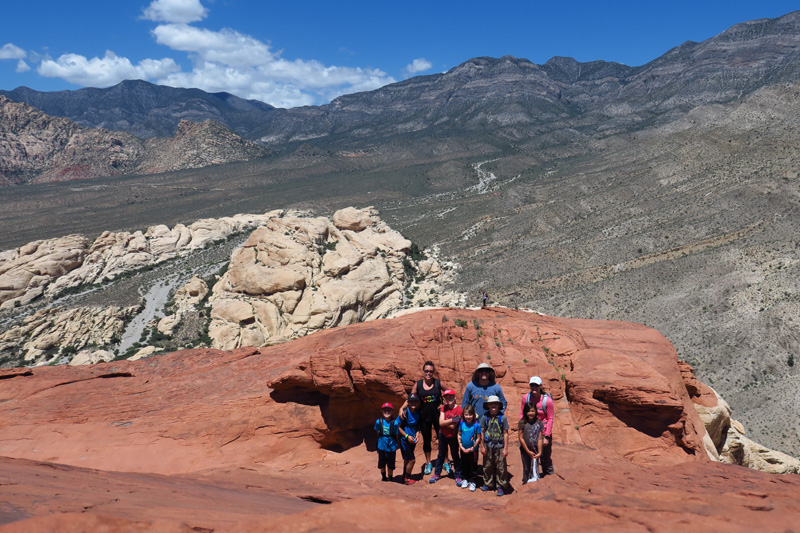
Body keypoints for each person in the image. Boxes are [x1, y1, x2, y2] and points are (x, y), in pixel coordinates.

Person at [399, 361, 444, 475]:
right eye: (426, 371)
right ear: (423, 372)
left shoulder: (438, 383)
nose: (428, 373)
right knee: (427, 441)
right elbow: (410, 398)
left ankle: (446, 461)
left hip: (438, 417)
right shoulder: (418, 385)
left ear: (433, 372)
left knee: (443, 439)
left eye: (430, 371)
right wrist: (401, 408)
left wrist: (444, 405)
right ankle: (428, 462)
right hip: (424, 417)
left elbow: (450, 392)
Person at [519, 376, 555, 476]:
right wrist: (521, 428)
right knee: (529, 457)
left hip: (543, 432)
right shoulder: (526, 398)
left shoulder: (547, 401)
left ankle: (549, 478)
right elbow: (522, 413)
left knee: (545, 458)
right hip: (529, 431)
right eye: (532, 385)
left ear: (541, 386)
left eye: (536, 385)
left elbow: (550, 418)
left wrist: (547, 436)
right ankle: (530, 479)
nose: (534, 387)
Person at [429, 389, 463, 486]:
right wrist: (452, 419)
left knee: (455, 455)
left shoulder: (459, 410)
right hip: (443, 435)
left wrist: (445, 422)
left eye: (451, 397)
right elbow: (440, 423)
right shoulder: (444, 407)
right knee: (441, 455)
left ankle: (458, 476)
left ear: (455, 397)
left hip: (453, 436)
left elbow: (453, 426)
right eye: (447, 398)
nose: (449, 399)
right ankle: (437, 474)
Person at [479, 395, 510, 496]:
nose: (493, 405)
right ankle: (488, 483)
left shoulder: (503, 418)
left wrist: (505, 448)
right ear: (488, 405)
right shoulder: (485, 417)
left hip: (499, 446)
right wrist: (482, 446)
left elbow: (505, 433)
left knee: (501, 467)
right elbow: (482, 432)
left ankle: (500, 485)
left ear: (498, 405)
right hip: (488, 446)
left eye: (495, 404)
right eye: (491, 404)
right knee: (487, 465)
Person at [398, 394, 422, 485]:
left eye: (415, 401)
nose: (413, 403)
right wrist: (407, 436)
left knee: (407, 459)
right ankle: (407, 478)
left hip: (413, 439)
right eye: (411, 401)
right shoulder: (404, 413)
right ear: (408, 402)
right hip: (405, 439)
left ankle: (404, 476)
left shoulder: (418, 412)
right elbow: (398, 427)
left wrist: (417, 435)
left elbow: (418, 427)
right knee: (412, 460)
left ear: (418, 403)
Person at [518, 402, 544, 484]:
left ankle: (534, 484)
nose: (530, 413)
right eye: (528, 411)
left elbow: (540, 438)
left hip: (535, 450)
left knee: (534, 468)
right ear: (525, 412)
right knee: (526, 468)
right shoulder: (522, 422)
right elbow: (520, 438)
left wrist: (540, 452)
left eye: (532, 411)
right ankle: (525, 483)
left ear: (536, 411)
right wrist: (527, 451)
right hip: (525, 450)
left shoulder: (539, 423)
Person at [458, 404, 481, 492]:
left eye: (470, 414)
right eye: (466, 414)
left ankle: (473, 481)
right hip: (463, 449)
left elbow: (478, 438)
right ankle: (465, 479)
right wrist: (461, 446)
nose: (468, 417)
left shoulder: (476, 425)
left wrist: (473, 447)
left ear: (473, 415)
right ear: (463, 415)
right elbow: (459, 434)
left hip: (473, 450)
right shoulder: (462, 423)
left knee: (473, 465)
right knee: (464, 464)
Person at [374, 402, 399, 482]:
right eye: (385, 410)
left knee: (391, 464)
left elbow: (396, 434)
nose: (387, 412)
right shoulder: (379, 421)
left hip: (391, 446)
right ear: (382, 411)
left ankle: (390, 477)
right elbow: (377, 431)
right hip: (381, 445)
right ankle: (384, 477)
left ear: (392, 412)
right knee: (382, 462)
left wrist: (397, 444)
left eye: (389, 410)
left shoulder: (395, 423)